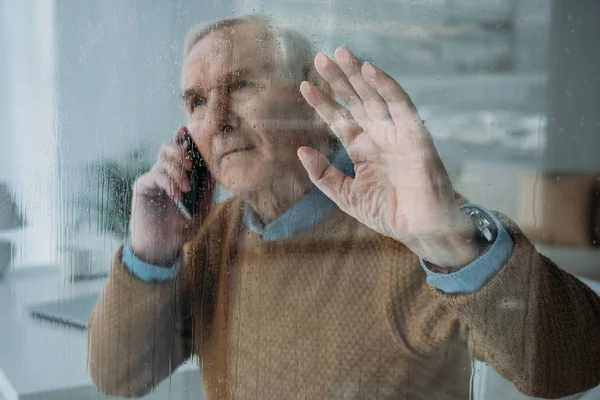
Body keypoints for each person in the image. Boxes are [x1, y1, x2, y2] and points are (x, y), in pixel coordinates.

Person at [88, 15, 600, 399]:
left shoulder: (407, 228)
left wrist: (447, 240)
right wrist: (149, 253)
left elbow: (574, 365)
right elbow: (119, 376)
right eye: (196, 101)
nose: (217, 119)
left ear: (313, 105)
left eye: (241, 84)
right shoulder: (210, 235)